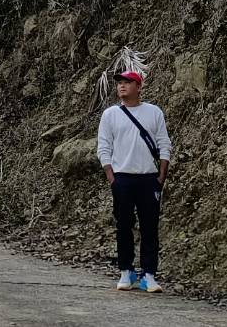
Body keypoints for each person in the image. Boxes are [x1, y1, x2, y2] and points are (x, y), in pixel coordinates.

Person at [96, 69, 172, 293]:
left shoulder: (153, 112)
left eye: (128, 82)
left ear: (139, 87)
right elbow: (103, 147)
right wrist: (112, 177)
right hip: (122, 178)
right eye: (120, 82)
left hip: (148, 178)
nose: (122, 86)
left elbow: (164, 143)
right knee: (123, 226)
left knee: (150, 227)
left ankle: (149, 275)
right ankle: (126, 270)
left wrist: (161, 176)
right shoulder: (110, 115)